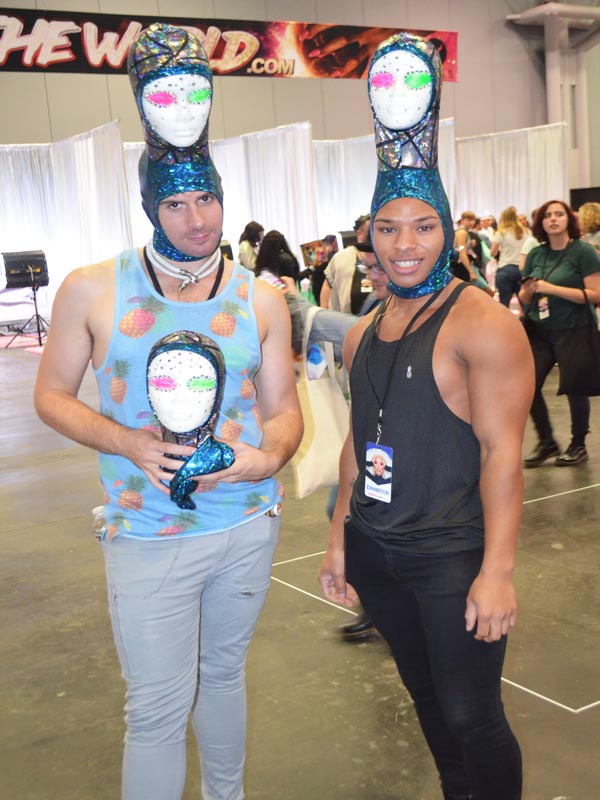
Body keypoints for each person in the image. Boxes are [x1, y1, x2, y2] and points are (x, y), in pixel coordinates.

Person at [34, 24, 302, 800]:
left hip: (245, 524)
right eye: (177, 203)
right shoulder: (93, 288)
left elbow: (285, 412)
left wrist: (265, 457)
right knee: (155, 708)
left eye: (207, 197)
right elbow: (49, 396)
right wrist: (125, 441)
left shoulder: (259, 299)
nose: (198, 219)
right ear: (150, 204)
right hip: (148, 533)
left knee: (223, 677)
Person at [319, 33, 534, 800]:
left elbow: (502, 453)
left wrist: (496, 572)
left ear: (446, 228)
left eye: (422, 226)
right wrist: (340, 539)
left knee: (473, 714)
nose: (404, 245)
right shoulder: (362, 331)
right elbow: (357, 444)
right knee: (428, 704)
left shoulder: (483, 324)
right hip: (377, 552)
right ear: (369, 236)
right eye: (388, 228)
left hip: (450, 557)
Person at [519, 200, 600, 467]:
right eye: (548, 215)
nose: (553, 219)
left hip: (575, 328)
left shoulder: (584, 252)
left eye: (559, 214)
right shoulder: (536, 253)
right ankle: (547, 441)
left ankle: (578, 444)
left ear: (569, 220)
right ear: (540, 222)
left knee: (575, 387)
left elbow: (596, 294)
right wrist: (528, 291)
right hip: (540, 329)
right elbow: (525, 296)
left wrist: (551, 289)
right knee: (527, 385)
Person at [320, 213, 372, 313]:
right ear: (359, 233)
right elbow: (327, 285)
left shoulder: (385, 255)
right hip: (346, 318)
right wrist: (324, 312)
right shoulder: (341, 257)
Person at [490, 205, 527, 307]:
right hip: (523, 269)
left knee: (504, 304)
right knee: (525, 303)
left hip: (505, 269)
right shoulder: (526, 232)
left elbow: (492, 253)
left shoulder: (501, 233)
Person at [453, 211, 494, 296]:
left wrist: (470, 245)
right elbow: (462, 253)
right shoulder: (461, 233)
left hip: (468, 266)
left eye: (473, 220)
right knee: (487, 293)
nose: (471, 222)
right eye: (469, 220)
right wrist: (471, 271)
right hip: (465, 267)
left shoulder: (465, 232)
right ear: (463, 220)